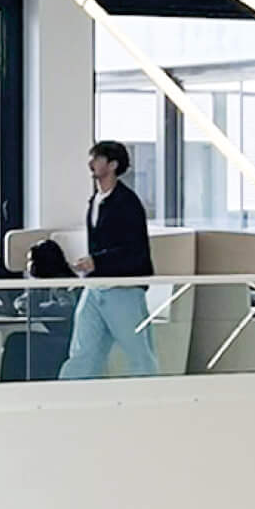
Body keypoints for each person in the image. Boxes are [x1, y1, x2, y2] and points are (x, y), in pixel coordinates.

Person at [60, 141, 159, 380]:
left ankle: (150, 399)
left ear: (113, 165)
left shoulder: (128, 202)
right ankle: (70, 398)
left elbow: (135, 250)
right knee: (83, 350)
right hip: (96, 287)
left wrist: (98, 262)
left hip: (122, 288)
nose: (90, 163)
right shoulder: (96, 200)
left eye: (97, 158)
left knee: (138, 353)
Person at [0, 235, 77, 383]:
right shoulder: (41, 284)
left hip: (67, 340)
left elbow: (67, 308)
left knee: (16, 342)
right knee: (17, 340)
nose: (28, 265)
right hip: (55, 336)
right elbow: (22, 301)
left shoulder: (64, 283)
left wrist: (39, 308)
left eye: (31, 260)